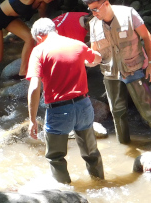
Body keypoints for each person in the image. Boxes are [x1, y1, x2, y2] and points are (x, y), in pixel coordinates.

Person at [26, 18, 104, 183]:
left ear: (39, 37)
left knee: (56, 157)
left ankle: (66, 196)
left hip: (59, 110)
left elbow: (34, 87)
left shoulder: (39, 51)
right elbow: (96, 58)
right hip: (84, 106)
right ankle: (100, 184)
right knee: (91, 153)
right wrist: (85, 59)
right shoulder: (77, 44)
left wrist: (32, 119)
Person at [84, 0, 151, 144]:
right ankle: (125, 146)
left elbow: (146, 37)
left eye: (95, 9)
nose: (93, 13)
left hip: (134, 69)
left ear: (106, 3)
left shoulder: (129, 14)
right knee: (117, 111)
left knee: (148, 110)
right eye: (90, 10)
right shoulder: (94, 24)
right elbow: (95, 52)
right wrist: (89, 60)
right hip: (110, 73)